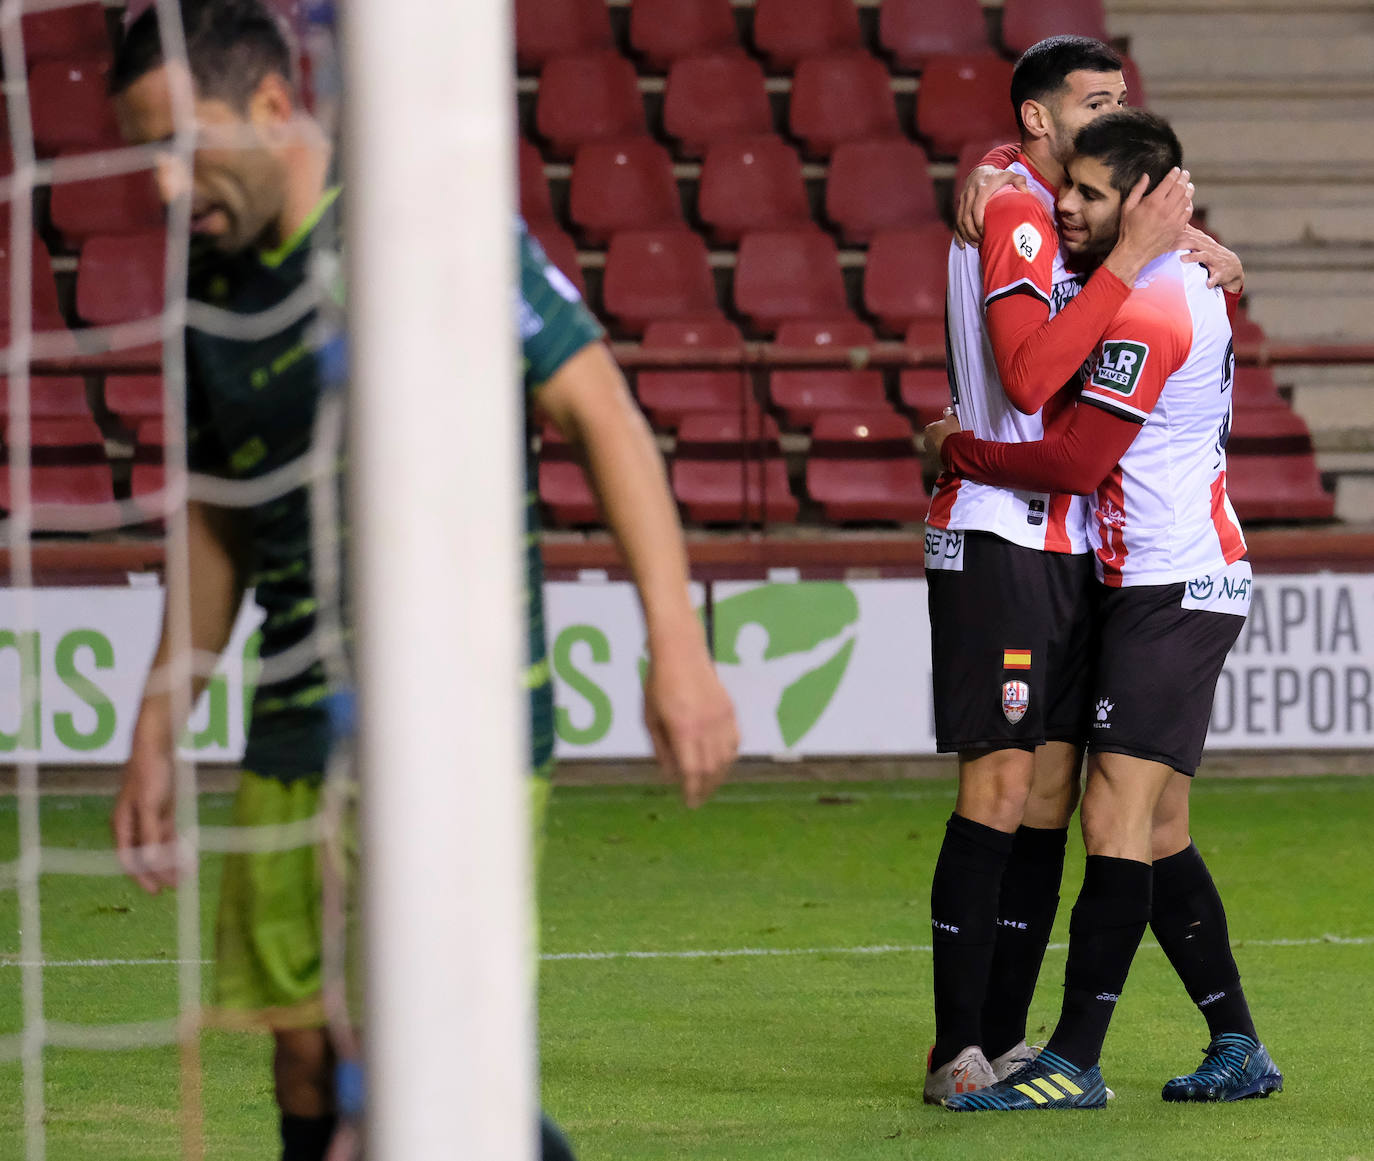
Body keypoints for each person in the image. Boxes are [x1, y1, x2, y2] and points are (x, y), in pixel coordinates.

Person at [106, 4, 737, 1160]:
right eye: (142, 151)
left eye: (179, 143)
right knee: (301, 1052)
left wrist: (678, 646)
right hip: (295, 723)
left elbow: (601, 410)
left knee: (404, 1052)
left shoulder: (427, 226)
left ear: (273, 107)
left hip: (464, 720)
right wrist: (158, 719)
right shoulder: (209, 291)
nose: (159, 184)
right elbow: (216, 527)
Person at [929, 109, 1283, 1111]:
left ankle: (1073, 1061)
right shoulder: (1146, 278)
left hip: (1174, 584)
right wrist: (995, 163)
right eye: (1062, 187)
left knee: (1110, 814)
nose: (1065, 207)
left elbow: (1080, 461)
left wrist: (960, 451)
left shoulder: (1154, 304)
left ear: (1137, 202)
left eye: (1086, 194)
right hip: (1149, 579)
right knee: (1160, 826)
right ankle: (1237, 1045)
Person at [920, 34, 1195, 1104]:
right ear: (1038, 120)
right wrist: (1138, 259)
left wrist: (1197, 246)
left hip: (1063, 535)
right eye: (1095, 99)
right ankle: (956, 1051)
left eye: (1123, 94)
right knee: (999, 786)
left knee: (1045, 796)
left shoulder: (1055, 208)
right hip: (1001, 527)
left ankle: (999, 1036)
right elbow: (1031, 380)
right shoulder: (1016, 210)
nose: (1114, 110)